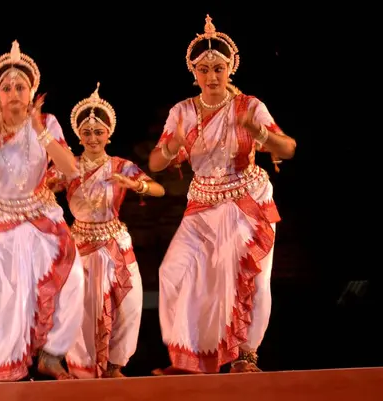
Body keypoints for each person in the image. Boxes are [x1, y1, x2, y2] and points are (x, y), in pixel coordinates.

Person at [148, 15, 296, 374]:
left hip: (248, 199)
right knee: (175, 272)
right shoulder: (182, 111)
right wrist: (173, 147)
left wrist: (257, 133)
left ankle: (246, 356)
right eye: (204, 69)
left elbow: (287, 148)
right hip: (203, 200)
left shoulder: (249, 106)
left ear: (230, 67)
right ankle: (191, 357)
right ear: (193, 72)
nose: (212, 76)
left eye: (218, 67)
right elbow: (155, 163)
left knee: (250, 275)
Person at [0, 40, 84, 382]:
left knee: (72, 278)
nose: (13, 92)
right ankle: (0, 368)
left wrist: (41, 132)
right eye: (6, 87)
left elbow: (69, 168)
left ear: (31, 92)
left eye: (20, 86)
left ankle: (51, 353)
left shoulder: (47, 122)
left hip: (41, 218)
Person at [46, 83, 165, 378]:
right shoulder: (68, 165)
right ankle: (83, 370)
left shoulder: (120, 166)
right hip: (80, 245)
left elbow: (159, 189)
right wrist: (47, 188)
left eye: (98, 132)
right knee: (82, 310)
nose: (93, 137)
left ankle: (115, 366)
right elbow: (40, 188)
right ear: (78, 135)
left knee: (131, 302)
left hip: (115, 241)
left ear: (108, 134)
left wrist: (136, 185)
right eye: (87, 133)